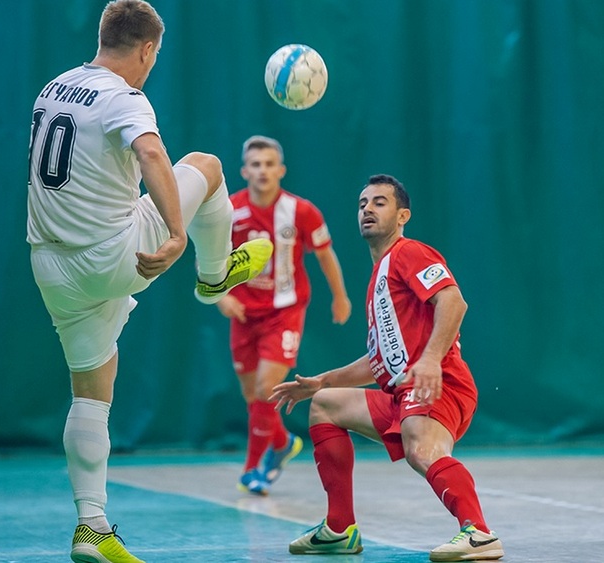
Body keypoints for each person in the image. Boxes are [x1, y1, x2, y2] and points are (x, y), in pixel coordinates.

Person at [26, 2, 272, 562]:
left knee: (92, 389)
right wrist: (179, 233)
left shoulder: (54, 87)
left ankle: (92, 527)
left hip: (50, 265)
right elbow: (152, 150)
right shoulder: (124, 95)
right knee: (207, 165)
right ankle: (214, 275)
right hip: (114, 254)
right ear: (146, 50)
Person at [270, 175, 504, 561]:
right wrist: (321, 382)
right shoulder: (380, 275)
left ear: (402, 216)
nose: (367, 210)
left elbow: (453, 302)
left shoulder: (410, 253)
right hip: (401, 391)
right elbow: (380, 362)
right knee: (327, 404)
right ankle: (340, 529)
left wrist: (429, 360)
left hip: (441, 383)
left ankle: (479, 533)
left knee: (420, 447)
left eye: (379, 203)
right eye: (362, 204)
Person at [216, 135, 351, 496]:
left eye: (269, 164)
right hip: (243, 313)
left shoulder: (301, 211)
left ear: (281, 170)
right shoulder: (229, 210)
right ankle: (283, 442)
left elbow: (325, 254)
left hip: (285, 312)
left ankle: (253, 469)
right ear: (244, 171)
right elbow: (210, 257)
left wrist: (340, 296)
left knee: (265, 388)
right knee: (252, 395)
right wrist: (222, 297)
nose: (262, 170)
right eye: (255, 164)